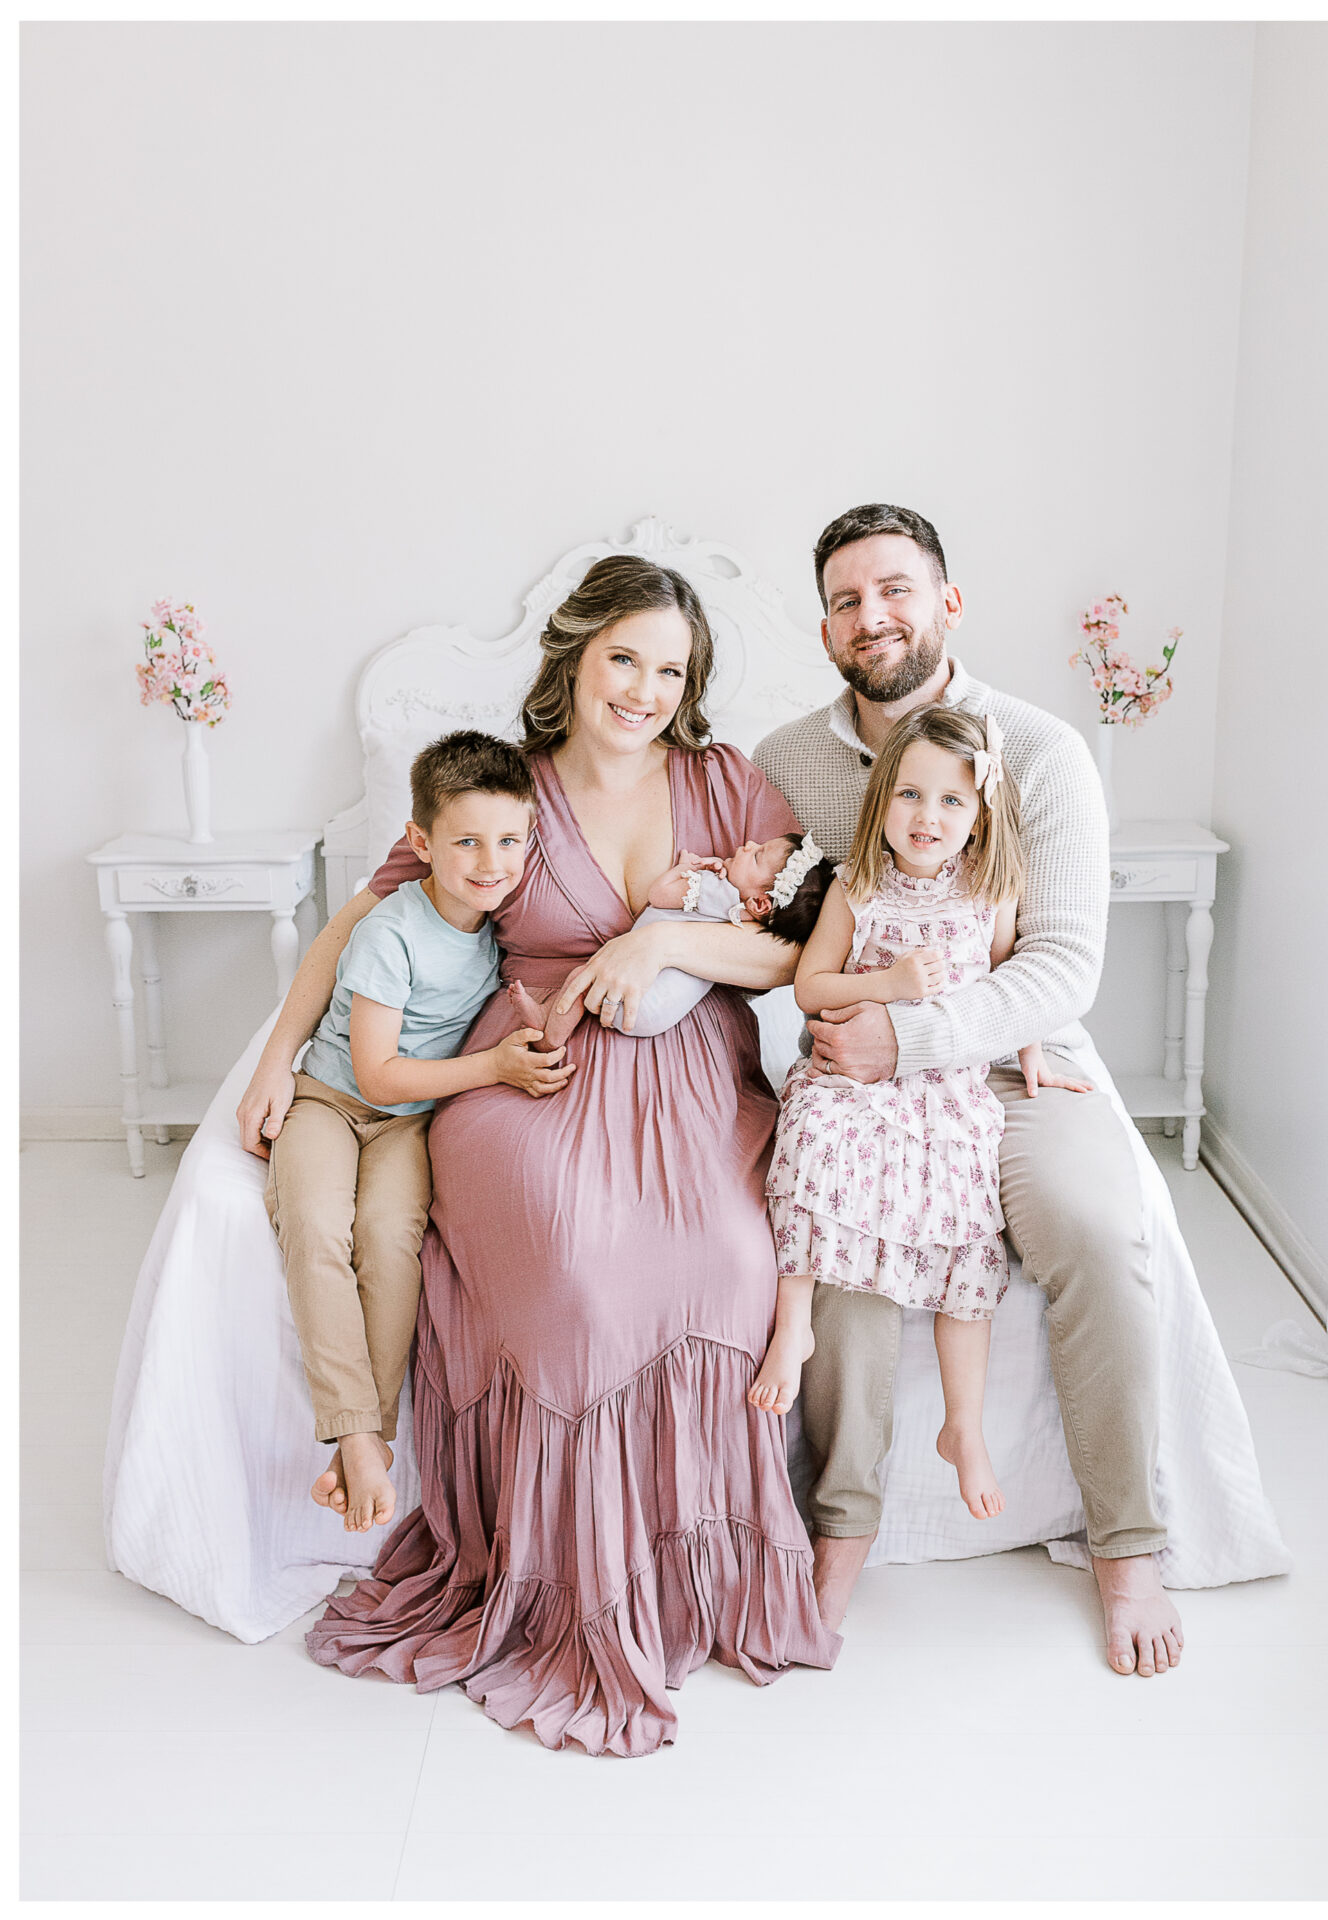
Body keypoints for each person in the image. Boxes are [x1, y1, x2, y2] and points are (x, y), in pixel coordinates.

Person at [238, 554, 840, 1756]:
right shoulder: (505, 789)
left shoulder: (726, 780)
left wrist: (660, 944)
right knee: (574, 1270)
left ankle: (691, 1576)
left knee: (731, 1257)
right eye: (624, 658)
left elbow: (796, 953)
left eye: (670, 669)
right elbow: (361, 920)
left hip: (691, 1069)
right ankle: (567, 1586)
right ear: (573, 654)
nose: (644, 690)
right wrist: (277, 1054)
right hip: (529, 1069)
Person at [752, 502, 1185, 1679]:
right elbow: (759, 910)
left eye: (893, 588)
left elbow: (1061, 962)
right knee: (841, 1246)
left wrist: (911, 1035)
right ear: (825, 628)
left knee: (1093, 1226)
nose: (871, 615)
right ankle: (837, 1530)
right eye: (845, 600)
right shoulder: (785, 760)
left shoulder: (1040, 751)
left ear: (946, 601)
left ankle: (1125, 1546)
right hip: (857, 1058)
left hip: (1012, 1051)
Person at [751, 707, 1089, 1523]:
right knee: (808, 1134)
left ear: (979, 816)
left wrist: (1033, 1048)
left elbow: (1008, 980)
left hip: (945, 1087)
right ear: (881, 801)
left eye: (950, 800)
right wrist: (888, 985)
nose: (926, 817)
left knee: (964, 1227)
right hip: (853, 1078)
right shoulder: (856, 887)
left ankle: (961, 1426)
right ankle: (793, 1325)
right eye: (908, 794)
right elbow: (810, 987)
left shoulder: (990, 893)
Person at [265, 732, 574, 1535]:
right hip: (332, 1101)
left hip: (409, 1125)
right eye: (466, 841)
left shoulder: (502, 931)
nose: (490, 862)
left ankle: (364, 1440)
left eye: (508, 841)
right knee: (315, 1224)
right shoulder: (390, 930)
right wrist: (494, 1068)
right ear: (421, 842)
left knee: (390, 1235)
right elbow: (375, 1076)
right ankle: (358, 1433)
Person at [509, 830, 833, 1050]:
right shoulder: (745, 918)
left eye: (758, 855)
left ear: (761, 903)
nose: (748, 844)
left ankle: (549, 1034)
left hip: (637, 996)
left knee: (582, 979)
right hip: (661, 1010)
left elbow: (659, 895)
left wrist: (686, 869)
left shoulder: (714, 890)